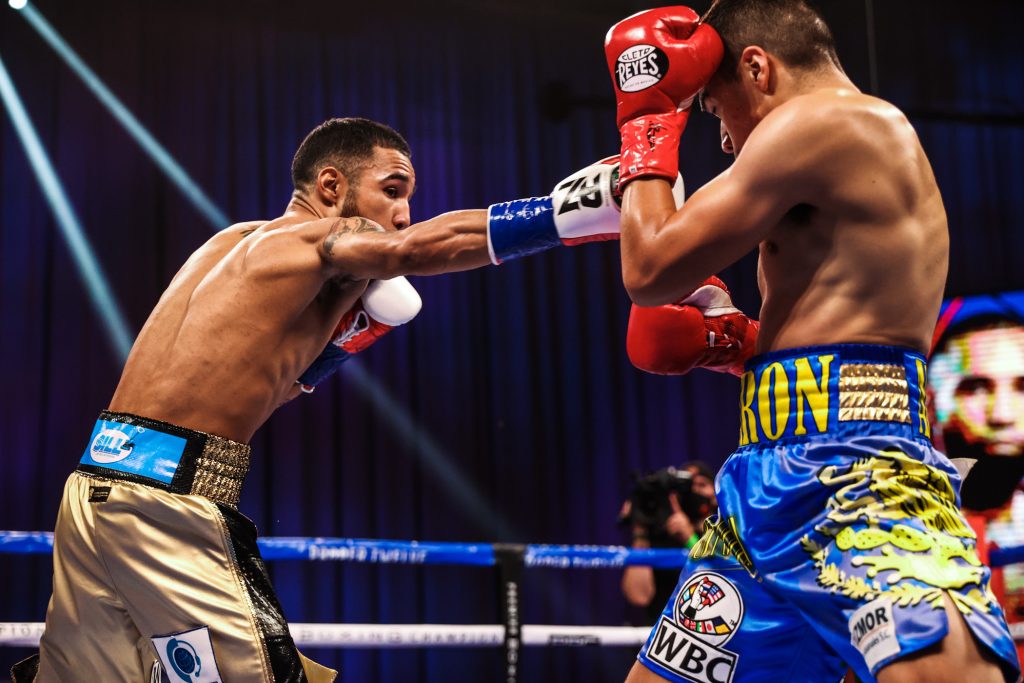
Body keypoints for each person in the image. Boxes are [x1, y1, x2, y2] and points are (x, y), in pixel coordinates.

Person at [14, 117, 628, 682]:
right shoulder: (321, 240)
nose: (404, 214)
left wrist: (339, 346)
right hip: (166, 504)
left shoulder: (231, 243)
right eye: (392, 190)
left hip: (94, 492)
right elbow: (413, 251)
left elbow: (254, 388)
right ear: (331, 186)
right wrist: (564, 214)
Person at [603, 2, 1020, 682]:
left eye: (715, 110)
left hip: (857, 474)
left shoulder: (825, 122)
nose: (725, 141)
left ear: (757, 68)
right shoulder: (827, 145)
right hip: (763, 491)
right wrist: (741, 343)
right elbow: (839, 326)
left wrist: (646, 119)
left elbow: (649, 268)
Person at [621, 462, 718, 624]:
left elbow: (723, 579)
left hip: (708, 630)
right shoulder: (661, 534)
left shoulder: (725, 533)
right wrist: (640, 530)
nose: (694, 490)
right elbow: (639, 596)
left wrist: (690, 538)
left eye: (701, 484)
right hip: (663, 631)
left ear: (716, 493)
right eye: (688, 485)